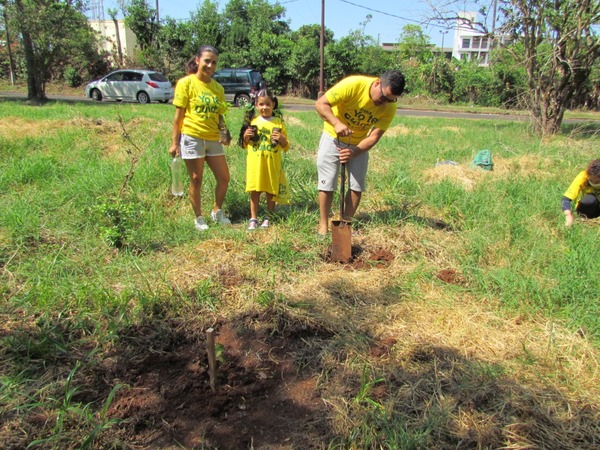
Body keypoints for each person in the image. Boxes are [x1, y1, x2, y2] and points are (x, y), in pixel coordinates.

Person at [315, 70, 406, 235]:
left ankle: (345, 224)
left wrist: (354, 152)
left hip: (359, 143)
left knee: (356, 186)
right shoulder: (353, 85)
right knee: (327, 183)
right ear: (378, 83)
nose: (384, 103)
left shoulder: (389, 107)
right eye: (383, 97)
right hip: (333, 136)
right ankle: (323, 225)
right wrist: (336, 123)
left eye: (391, 100)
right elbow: (321, 104)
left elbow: (374, 136)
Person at [169, 45, 232, 231]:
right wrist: (175, 142)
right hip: (192, 137)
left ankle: (217, 211)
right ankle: (198, 217)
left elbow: (219, 115)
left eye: (214, 62)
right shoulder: (185, 83)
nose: (210, 65)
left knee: (224, 177)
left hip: (213, 138)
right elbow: (178, 117)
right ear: (197, 60)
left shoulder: (218, 89)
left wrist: (224, 133)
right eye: (207, 61)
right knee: (196, 179)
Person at [239, 89, 290, 230]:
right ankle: (253, 218)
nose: (264, 107)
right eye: (261, 104)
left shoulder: (278, 123)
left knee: (270, 190)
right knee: (254, 190)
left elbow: (286, 145)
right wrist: (246, 136)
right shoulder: (252, 121)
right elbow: (244, 144)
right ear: (256, 105)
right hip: (256, 164)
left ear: (273, 105)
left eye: (268, 104)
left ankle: (268, 216)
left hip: (272, 163)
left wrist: (282, 139)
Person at [562, 158, 600, 226]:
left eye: (596, 182)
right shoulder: (583, 176)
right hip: (586, 209)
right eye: (591, 180)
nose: (593, 183)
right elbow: (566, 199)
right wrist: (568, 215)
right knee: (589, 200)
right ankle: (584, 219)